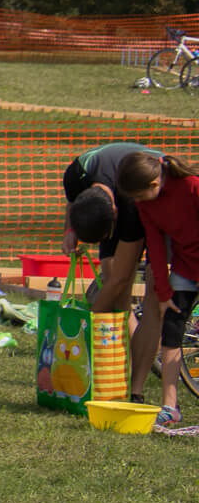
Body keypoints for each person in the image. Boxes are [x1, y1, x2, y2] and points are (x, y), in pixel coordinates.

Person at [65, 141, 164, 404]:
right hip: (115, 192)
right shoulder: (75, 176)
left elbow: (121, 279)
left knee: (153, 296)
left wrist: (88, 322)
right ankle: (121, 367)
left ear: (114, 214)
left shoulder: (131, 205)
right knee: (112, 285)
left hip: (158, 204)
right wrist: (70, 231)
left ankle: (136, 388)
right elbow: (73, 203)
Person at [120, 151, 199, 427]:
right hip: (184, 269)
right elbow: (154, 246)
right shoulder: (146, 205)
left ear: (154, 183)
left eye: (140, 195)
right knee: (172, 333)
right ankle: (170, 407)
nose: (138, 202)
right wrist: (163, 294)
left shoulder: (191, 186)